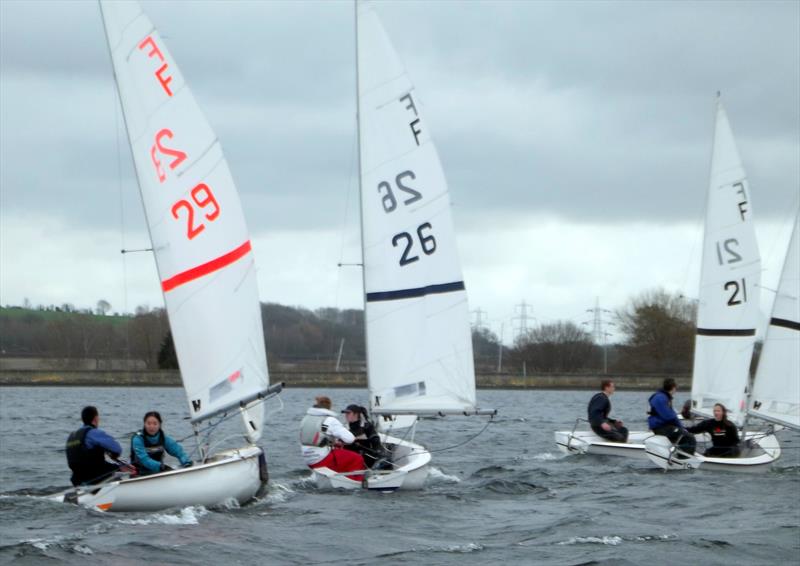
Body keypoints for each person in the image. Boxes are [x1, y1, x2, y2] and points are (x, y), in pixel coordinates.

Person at [299, 395, 366, 482]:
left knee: (339, 453)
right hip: (321, 459)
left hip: (308, 459)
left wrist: (332, 443)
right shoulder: (330, 420)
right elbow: (350, 439)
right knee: (357, 458)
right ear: (329, 407)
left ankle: (338, 477)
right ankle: (355, 483)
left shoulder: (305, 419)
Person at [66, 406, 134, 486]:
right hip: (94, 475)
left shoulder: (72, 436)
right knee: (123, 468)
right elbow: (117, 449)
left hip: (77, 478)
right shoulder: (93, 432)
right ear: (95, 419)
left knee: (113, 466)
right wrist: (114, 456)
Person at [130, 411, 192, 475]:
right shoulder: (138, 439)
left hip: (158, 472)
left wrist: (186, 462)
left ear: (159, 424)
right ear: (144, 424)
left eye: (155, 424)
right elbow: (144, 459)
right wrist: (161, 467)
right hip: (140, 474)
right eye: (148, 423)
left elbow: (179, 452)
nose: (151, 426)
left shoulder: (163, 438)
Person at [647, 378, 696, 454]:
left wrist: (681, 428)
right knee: (690, 438)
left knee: (684, 435)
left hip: (663, 426)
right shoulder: (660, 398)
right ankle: (685, 460)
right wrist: (681, 428)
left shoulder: (663, 397)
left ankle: (680, 453)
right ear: (673, 387)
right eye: (676, 388)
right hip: (661, 428)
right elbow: (669, 417)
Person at [342, 404, 390, 469]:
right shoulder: (344, 428)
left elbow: (375, 440)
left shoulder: (366, 426)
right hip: (349, 458)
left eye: (348, 413)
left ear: (356, 414)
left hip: (365, 459)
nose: (346, 415)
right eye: (345, 413)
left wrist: (379, 451)